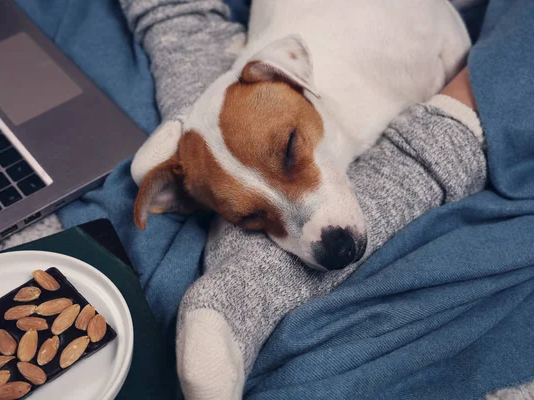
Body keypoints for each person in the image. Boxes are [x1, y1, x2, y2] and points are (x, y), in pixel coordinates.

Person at [121, 0, 534, 399]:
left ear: (291, 73)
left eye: (288, 153)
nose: (309, 231)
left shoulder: (370, 39)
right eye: (252, 217)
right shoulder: (279, 102)